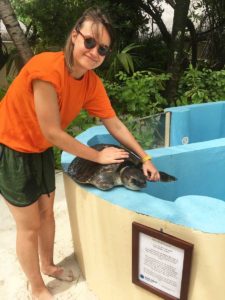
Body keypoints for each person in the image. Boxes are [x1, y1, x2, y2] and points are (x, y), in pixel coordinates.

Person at [0, 6, 160, 300]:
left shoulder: (90, 82)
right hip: (11, 147)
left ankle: (47, 265)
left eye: (103, 49)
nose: (95, 51)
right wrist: (96, 156)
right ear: (75, 36)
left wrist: (145, 157)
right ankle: (36, 287)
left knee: (48, 213)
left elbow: (113, 123)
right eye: (89, 41)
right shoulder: (46, 69)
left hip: (39, 149)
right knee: (29, 225)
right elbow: (52, 131)